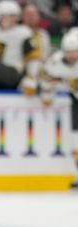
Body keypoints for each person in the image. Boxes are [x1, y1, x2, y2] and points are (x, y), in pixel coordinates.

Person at [39, 29, 78, 188]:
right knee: (75, 141)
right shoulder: (54, 62)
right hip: (73, 103)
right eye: (70, 52)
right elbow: (45, 79)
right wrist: (47, 92)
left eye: (75, 52)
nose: (73, 56)